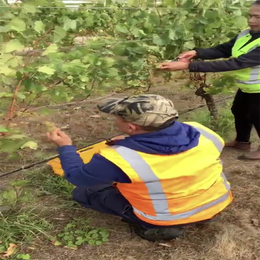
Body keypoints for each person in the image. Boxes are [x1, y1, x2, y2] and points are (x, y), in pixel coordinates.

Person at [47, 94, 233, 241]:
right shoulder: (202, 132)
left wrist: (66, 147)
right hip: (216, 202)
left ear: (131, 127)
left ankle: (159, 227)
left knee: (84, 192)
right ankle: (204, 216)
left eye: (116, 117)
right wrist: (132, 141)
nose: (114, 120)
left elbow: (76, 176)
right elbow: (173, 151)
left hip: (168, 215)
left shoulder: (121, 159)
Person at [159, 0, 260, 160]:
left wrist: (189, 66)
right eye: (250, 16)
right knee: (239, 111)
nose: (251, 20)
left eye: (257, 17)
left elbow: (236, 63)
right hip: (248, 86)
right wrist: (196, 53)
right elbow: (224, 49)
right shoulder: (246, 34)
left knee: (257, 116)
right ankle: (242, 141)